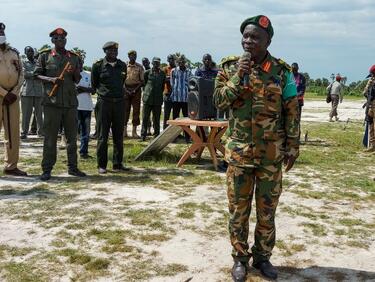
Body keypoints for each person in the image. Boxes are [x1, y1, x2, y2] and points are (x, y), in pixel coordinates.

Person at [214, 15, 299, 281]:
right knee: (238, 211)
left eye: (255, 37)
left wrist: (293, 145)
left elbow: (291, 110)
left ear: (268, 41)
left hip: (270, 156)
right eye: (246, 36)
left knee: (267, 211)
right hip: (239, 154)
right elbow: (219, 101)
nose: (249, 41)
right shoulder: (228, 68)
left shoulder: (282, 72)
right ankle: (240, 259)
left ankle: (263, 258)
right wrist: (239, 75)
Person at [34, 27, 86, 181]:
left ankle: (73, 167)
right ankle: (47, 169)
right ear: (52, 40)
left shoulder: (74, 57)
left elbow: (77, 80)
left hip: (70, 103)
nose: (60, 41)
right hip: (52, 102)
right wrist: (51, 80)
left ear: (66, 40)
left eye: (62, 38)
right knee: (50, 138)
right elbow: (36, 75)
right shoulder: (45, 56)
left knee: (71, 137)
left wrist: (76, 70)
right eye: (57, 39)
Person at [91, 41, 128, 174]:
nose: (113, 53)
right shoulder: (98, 66)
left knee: (119, 135)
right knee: (103, 135)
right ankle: (102, 165)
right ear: (105, 52)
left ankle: (118, 163)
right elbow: (94, 84)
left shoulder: (122, 65)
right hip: (104, 103)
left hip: (119, 103)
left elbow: (122, 82)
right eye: (110, 51)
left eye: (115, 51)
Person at [0, 22, 27, 176]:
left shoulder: (14, 52)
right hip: (2, 95)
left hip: (13, 98)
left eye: (3, 30)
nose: (1, 33)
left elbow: (21, 74)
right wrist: (4, 93)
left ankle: (11, 166)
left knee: (13, 134)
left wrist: (14, 92)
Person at [20, 46, 44, 139]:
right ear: (25, 53)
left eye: (32, 51)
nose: (30, 52)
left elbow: (41, 72)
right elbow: (24, 74)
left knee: (39, 113)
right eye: (28, 51)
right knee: (26, 114)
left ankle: (41, 132)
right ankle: (24, 132)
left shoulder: (39, 62)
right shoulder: (22, 62)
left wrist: (34, 74)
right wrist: (35, 74)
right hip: (27, 92)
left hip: (38, 91)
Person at [141, 57, 166, 141]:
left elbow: (162, 86)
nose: (156, 64)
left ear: (159, 64)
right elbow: (144, 84)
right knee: (145, 118)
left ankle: (156, 136)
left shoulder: (162, 73)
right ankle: (143, 136)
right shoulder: (147, 72)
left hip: (157, 99)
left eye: (158, 63)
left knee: (156, 119)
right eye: (154, 62)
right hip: (147, 99)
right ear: (152, 63)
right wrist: (147, 92)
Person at [170, 55, 192, 142]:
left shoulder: (189, 71)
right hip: (176, 98)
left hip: (185, 99)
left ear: (185, 62)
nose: (181, 63)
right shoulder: (173, 71)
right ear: (177, 62)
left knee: (187, 118)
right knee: (175, 118)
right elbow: (172, 83)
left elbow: (191, 83)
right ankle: (175, 137)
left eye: (183, 61)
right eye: (179, 62)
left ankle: (187, 137)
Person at [76, 56, 94, 159]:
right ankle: (72, 152)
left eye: (81, 63)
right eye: (78, 63)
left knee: (85, 132)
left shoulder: (88, 74)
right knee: (74, 131)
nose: (80, 65)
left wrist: (82, 89)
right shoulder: (72, 74)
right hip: (74, 106)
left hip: (86, 107)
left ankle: (83, 152)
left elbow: (93, 90)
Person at [124, 50, 144, 138]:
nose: (133, 57)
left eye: (135, 56)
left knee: (136, 111)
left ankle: (134, 132)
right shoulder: (124, 66)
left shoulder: (140, 67)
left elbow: (142, 81)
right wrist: (126, 90)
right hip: (125, 89)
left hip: (136, 90)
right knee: (125, 111)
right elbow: (121, 79)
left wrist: (134, 90)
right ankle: (124, 131)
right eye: (131, 56)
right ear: (128, 56)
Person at [363, 64, 375, 152]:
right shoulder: (371, 82)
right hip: (371, 106)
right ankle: (372, 145)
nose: (372, 77)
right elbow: (365, 93)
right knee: (371, 125)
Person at [162, 54, 176, 129]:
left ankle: (174, 132)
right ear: (167, 60)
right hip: (167, 93)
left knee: (175, 115)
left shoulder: (177, 69)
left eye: (172, 59)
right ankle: (165, 129)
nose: (171, 60)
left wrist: (169, 78)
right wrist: (170, 78)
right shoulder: (165, 69)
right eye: (170, 59)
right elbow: (163, 79)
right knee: (166, 114)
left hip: (175, 94)